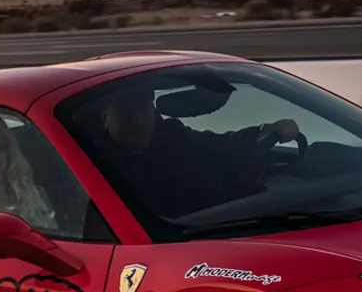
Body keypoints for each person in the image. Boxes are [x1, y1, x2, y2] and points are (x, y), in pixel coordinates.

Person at [97, 85, 301, 217]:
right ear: (105, 117)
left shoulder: (172, 138)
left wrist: (263, 133)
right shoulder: (94, 161)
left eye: (142, 108)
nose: (136, 120)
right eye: (125, 111)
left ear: (153, 111)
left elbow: (218, 145)